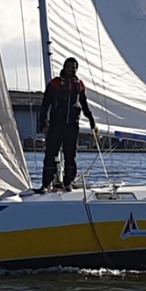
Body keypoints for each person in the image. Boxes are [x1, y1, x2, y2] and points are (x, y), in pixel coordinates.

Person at [37, 57, 96, 191]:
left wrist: (91, 119)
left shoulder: (79, 84)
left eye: (74, 67)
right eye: (69, 67)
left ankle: (68, 182)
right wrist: (42, 121)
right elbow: (45, 104)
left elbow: (84, 103)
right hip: (56, 125)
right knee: (51, 154)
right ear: (64, 67)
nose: (72, 69)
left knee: (70, 155)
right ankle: (46, 184)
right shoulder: (54, 84)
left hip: (72, 126)